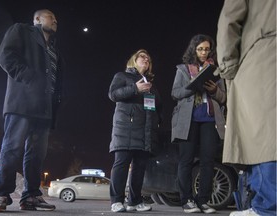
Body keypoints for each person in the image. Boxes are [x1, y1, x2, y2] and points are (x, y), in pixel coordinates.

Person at [0, 9, 63, 212]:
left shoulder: (54, 49)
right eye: (51, 16)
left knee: (37, 154)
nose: (55, 19)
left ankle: (31, 196)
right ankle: (1, 194)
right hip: (21, 102)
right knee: (12, 147)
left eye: (56, 18)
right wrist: (29, 78)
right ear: (37, 19)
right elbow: (6, 56)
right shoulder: (21, 31)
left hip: (44, 107)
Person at [216, 0, 276, 215]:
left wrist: (228, 67)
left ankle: (268, 207)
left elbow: (229, 20)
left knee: (263, 133)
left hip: (264, 54)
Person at [171, 34, 226, 214]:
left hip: (210, 120)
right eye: (200, 49)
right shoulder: (183, 69)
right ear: (194, 49)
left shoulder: (216, 70)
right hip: (188, 120)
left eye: (207, 49)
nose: (204, 52)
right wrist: (192, 87)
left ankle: (203, 200)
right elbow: (175, 93)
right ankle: (187, 200)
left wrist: (215, 90)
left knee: (208, 161)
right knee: (186, 161)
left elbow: (224, 97)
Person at [108, 49, 162, 212]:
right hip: (126, 128)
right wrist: (135, 89)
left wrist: (158, 121)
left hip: (145, 131)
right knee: (121, 163)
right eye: (142, 57)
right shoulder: (122, 76)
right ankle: (116, 201)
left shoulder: (150, 85)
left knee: (139, 166)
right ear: (134, 60)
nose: (146, 59)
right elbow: (113, 94)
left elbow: (158, 107)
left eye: (148, 58)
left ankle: (134, 201)